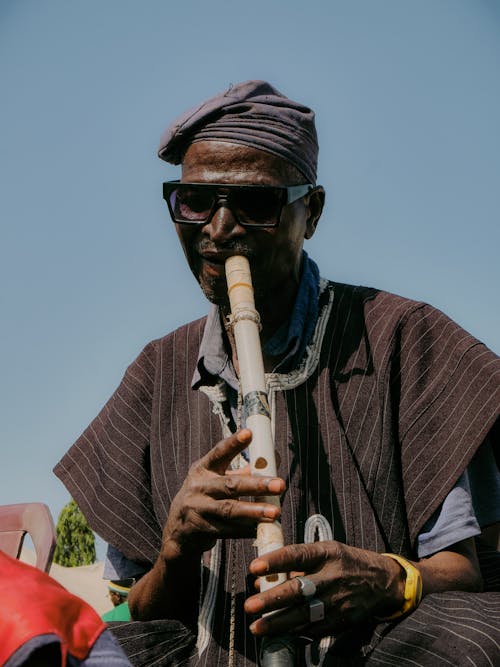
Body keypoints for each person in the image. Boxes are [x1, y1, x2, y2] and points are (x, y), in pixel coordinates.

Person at [54, 81, 500, 666]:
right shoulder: (153, 375)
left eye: (255, 205)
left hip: (377, 653)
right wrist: (177, 553)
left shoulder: (404, 339)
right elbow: (128, 609)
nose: (218, 230)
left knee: (475, 637)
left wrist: (388, 580)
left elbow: (464, 570)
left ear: (309, 212)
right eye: (194, 202)